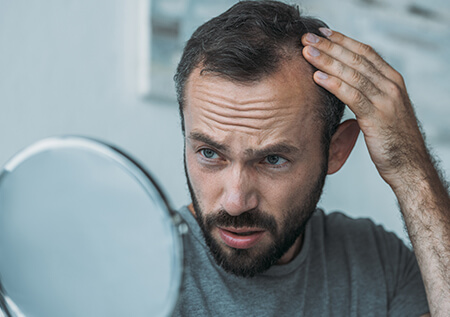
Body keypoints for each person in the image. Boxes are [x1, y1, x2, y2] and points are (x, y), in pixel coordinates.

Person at [171, 1, 449, 316]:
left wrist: (412, 172)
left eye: (273, 159)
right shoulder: (136, 267)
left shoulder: (377, 263)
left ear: (336, 150)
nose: (236, 202)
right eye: (210, 153)